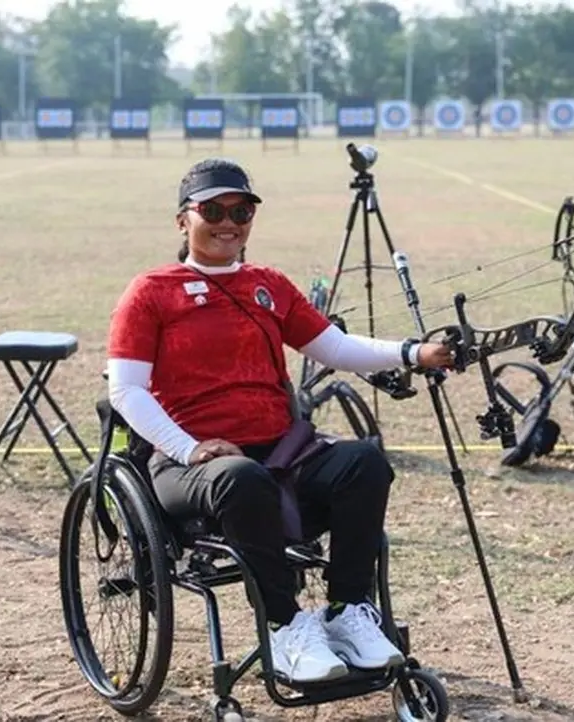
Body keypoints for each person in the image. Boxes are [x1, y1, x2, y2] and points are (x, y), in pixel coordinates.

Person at [105, 158, 454, 684]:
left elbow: (334, 347)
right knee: (240, 477)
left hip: (280, 454)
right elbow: (126, 390)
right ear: (183, 220)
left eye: (241, 210)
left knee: (364, 462)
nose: (229, 222)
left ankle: (347, 612)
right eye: (213, 210)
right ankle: (285, 625)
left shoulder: (268, 284)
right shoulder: (152, 291)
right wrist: (189, 448)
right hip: (188, 466)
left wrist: (412, 353)